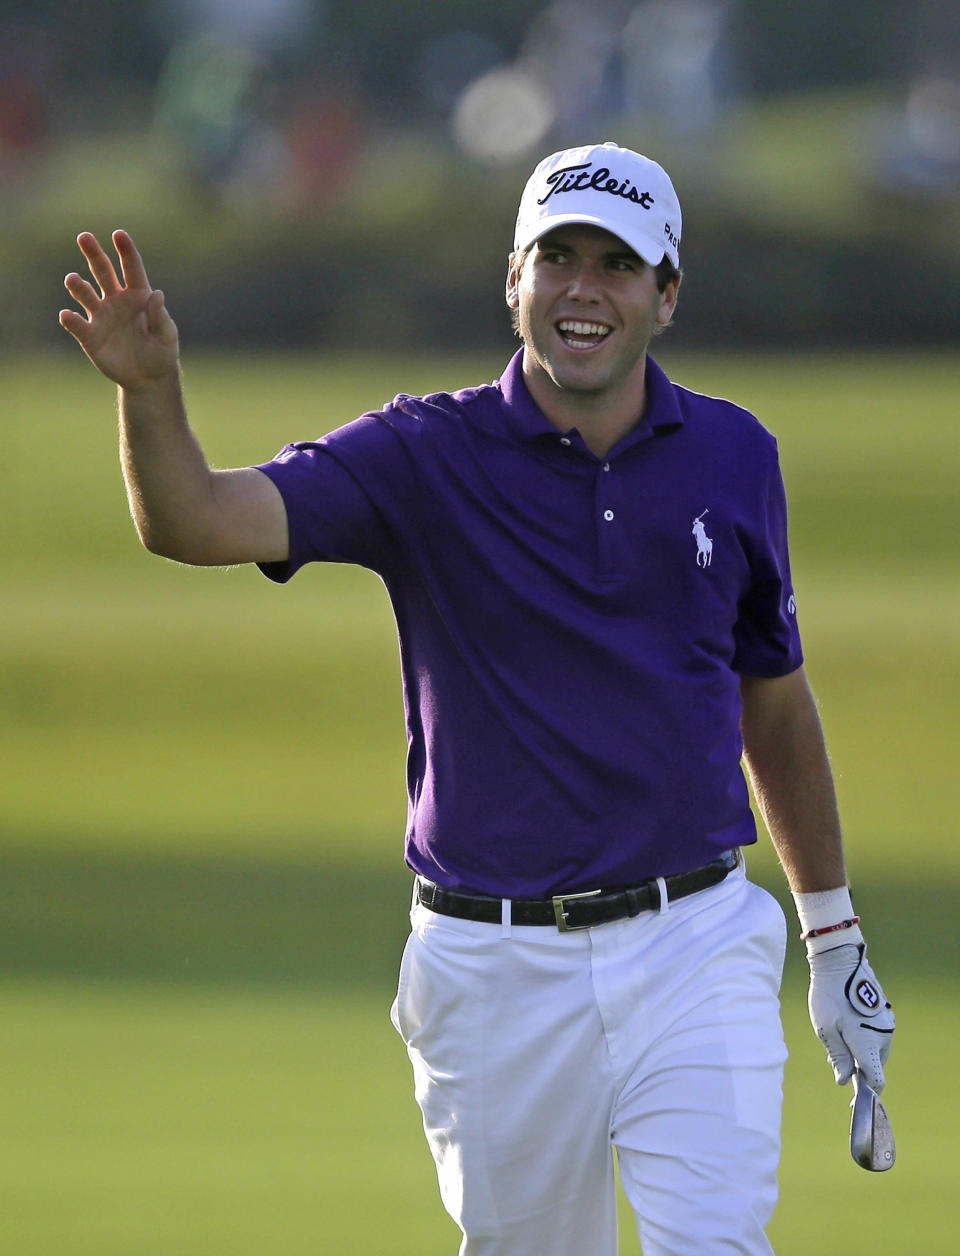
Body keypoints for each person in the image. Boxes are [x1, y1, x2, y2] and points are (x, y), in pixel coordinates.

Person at [60, 140, 894, 1255]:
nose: (584, 290)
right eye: (558, 258)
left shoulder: (735, 456)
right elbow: (198, 520)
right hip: (493, 966)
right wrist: (152, 393)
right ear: (515, 278)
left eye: (618, 263)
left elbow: (775, 703)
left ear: (666, 294)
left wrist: (831, 929)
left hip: (695, 940)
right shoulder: (422, 452)